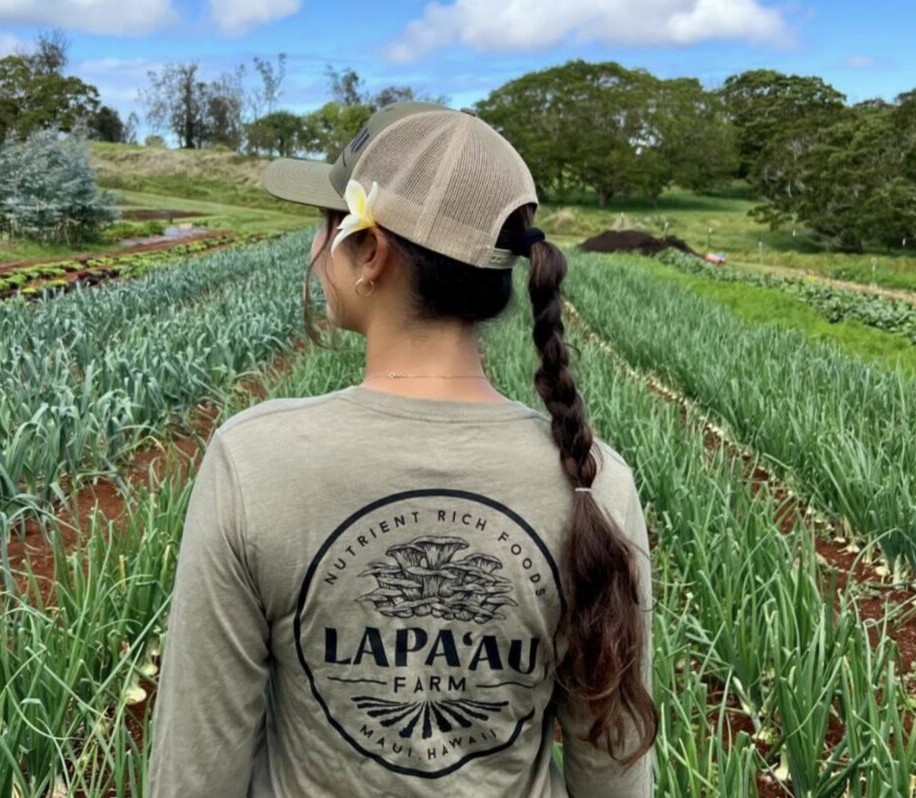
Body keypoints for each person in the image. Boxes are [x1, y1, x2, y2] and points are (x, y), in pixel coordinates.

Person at [148, 101, 657, 797]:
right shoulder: (596, 483)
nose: (314, 249)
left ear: (372, 252)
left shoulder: (256, 461)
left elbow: (195, 774)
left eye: (328, 226)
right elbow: (613, 777)